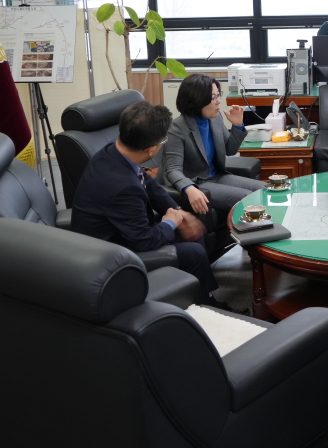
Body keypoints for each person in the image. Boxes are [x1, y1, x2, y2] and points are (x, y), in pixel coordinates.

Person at [71, 100, 231, 308]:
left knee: (190, 227)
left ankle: (202, 297)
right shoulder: (122, 187)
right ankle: (203, 308)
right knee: (194, 252)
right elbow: (144, 241)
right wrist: (170, 223)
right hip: (110, 254)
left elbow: (149, 183)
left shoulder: (113, 151)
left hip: (123, 230)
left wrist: (179, 214)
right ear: (151, 150)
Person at [162, 74, 265, 253]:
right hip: (198, 183)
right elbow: (172, 169)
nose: (219, 101)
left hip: (218, 176)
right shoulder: (176, 129)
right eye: (213, 98)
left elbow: (229, 150)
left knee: (264, 190)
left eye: (219, 95)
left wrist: (238, 126)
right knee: (248, 199)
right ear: (196, 99)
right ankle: (257, 251)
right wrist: (189, 188)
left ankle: (269, 241)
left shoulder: (215, 118)